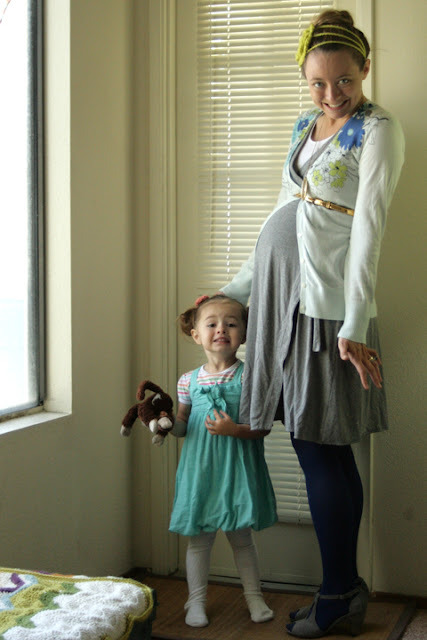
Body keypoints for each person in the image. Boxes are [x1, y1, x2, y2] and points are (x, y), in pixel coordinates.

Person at [219, 9, 405, 639]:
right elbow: (283, 209)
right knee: (315, 447)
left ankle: (336, 596)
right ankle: (342, 593)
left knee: (321, 449)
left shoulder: (379, 129)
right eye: (319, 83)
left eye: (344, 80)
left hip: (327, 311)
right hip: (281, 300)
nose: (332, 94)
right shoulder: (306, 125)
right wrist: (235, 291)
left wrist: (354, 321)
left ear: (365, 68)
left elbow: (369, 228)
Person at [169, 294, 278, 628]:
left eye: (231, 324)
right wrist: (165, 424)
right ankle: (195, 600)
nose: (221, 330)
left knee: (242, 540)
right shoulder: (187, 381)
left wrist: (235, 430)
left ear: (243, 334)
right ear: (196, 334)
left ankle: (254, 596)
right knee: (199, 542)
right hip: (200, 472)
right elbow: (182, 425)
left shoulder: (249, 377)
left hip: (237, 471)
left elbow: (262, 428)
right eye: (212, 324)